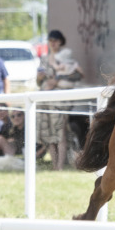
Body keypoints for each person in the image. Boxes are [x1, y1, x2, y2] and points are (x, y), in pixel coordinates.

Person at [37, 29, 77, 170]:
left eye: (55, 40)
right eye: (50, 40)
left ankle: (60, 166)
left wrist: (55, 81)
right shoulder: (44, 59)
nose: (53, 43)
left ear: (60, 42)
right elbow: (39, 82)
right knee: (48, 136)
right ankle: (55, 165)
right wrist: (40, 78)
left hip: (60, 101)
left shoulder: (67, 58)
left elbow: (73, 76)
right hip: (44, 100)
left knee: (60, 134)